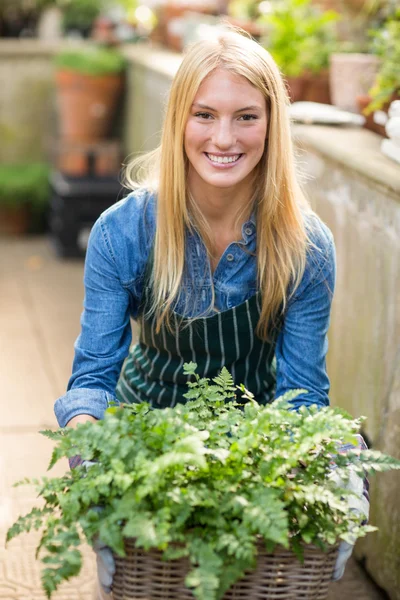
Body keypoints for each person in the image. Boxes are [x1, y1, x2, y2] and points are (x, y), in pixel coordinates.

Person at [54, 28, 368, 598]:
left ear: (273, 125)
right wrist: (93, 456)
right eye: (205, 114)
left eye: (246, 116)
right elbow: (92, 378)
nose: (223, 137)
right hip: (143, 443)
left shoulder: (306, 248)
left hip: (251, 451)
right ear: (178, 120)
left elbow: (301, 396)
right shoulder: (123, 233)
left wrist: (329, 466)